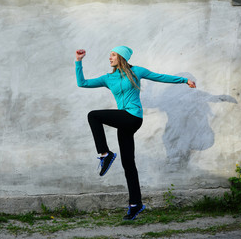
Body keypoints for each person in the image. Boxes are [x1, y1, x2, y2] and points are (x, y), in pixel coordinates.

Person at [75, 46, 196, 220]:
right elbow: (82, 83)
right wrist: (78, 62)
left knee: (93, 115)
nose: (110, 58)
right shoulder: (108, 79)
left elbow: (160, 76)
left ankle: (105, 154)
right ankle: (135, 204)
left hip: (132, 117)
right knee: (128, 164)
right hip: (123, 122)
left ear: (122, 57)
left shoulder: (136, 71)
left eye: (113, 55)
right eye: (110, 55)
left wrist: (185, 80)